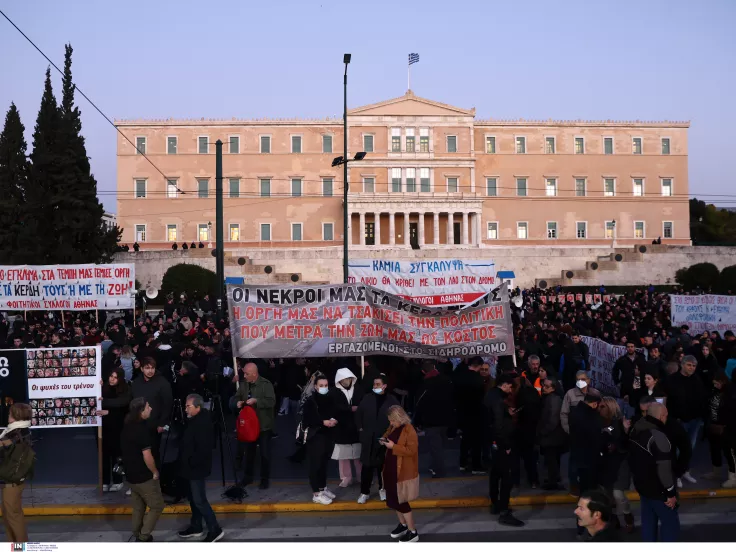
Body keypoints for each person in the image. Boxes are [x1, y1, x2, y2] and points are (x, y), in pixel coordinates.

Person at [629, 402, 680, 542]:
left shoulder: (635, 430)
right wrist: (670, 492)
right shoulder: (658, 437)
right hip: (659, 491)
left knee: (648, 524)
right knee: (670, 525)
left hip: (642, 487)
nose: (666, 418)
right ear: (660, 416)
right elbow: (664, 468)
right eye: (665, 415)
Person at [177, 394, 224, 542]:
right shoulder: (195, 419)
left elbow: (203, 449)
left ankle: (214, 529)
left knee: (199, 500)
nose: (185, 409)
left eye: (188, 406)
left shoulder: (203, 423)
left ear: (198, 407)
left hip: (196, 468)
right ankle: (196, 526)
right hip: (190, 467)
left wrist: (190, 462)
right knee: (193, 498)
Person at [120, 398, 165, 542]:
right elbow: (147, 456)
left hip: (131, 476)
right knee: (157, 506)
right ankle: (144, 536)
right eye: (148, 406)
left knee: (139, 507)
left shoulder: (127, 426)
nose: (150, 408)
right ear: (141, 411)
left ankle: (136, 532)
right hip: (144, 477)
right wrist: (155, 472)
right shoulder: (142, 430)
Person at [485, 374, 524, 527]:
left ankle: (495, 504)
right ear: (505, 385)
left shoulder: (491, 395)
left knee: (495, 474)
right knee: (506, 477)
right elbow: (498, 425)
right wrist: (506, 445)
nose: (511, 390)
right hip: (501, 443)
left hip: (493, 442)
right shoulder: (499, 400)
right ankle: (504, 511)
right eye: (510, 386)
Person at [356, 373, 398, 504]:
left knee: (383, 467)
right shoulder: (367, 398)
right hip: (368, 438)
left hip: (384, 439)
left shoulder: (392, 401)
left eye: (378, 384)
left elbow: (397, 420)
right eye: (374, 384)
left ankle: (383, 489)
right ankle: (364, 492)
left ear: (384, 386)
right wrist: (361, 430)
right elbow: (358, 415)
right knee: (366, 467)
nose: (375, 386)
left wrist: (390, 435)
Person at [665, 355, 706, 484]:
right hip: (678, 420)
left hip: (695, 419)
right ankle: (676, 474)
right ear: (682, 364)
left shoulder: (697, 380)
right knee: (677, 448)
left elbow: (702, 399)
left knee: (690, 447)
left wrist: (702, 417)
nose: (691, 368)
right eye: (689, 365)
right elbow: (666, 399)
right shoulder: (671, 380)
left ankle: (685, 471)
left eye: (694, 366)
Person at [235, 362, 276, 490]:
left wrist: (257, 401)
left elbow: (272, 401)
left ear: (254, 373)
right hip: (249, 426)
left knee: (264, 454)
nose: (244, 376)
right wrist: (237, 402)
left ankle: (264, 479)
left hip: (263, 425)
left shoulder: (266, 384)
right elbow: (236, 397)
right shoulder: (243, 384)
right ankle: (248, 477)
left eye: (247, 374)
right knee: (249, 453)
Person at [382, 405, 420, 543]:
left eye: (392, 420)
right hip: (390, 468)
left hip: (402, 471)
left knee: (401, 501)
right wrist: (384, 440)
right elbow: (388, 435)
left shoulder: (409, 429)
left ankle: (413, 531)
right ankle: (403, 525)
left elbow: (411, 451)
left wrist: (393, 447)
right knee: (393, 500)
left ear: (399, 418)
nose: (390, 423)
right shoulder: (394, 427)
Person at [597, 397, 634, 533]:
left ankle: (627, 515)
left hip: (620, 464)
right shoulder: (597, 423)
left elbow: (626, 444)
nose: (599, 409)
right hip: (605, 464)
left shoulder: (619, 423)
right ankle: (614, 520)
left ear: (611, 408)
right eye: (599, 406)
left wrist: (625, 431)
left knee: (618, 494)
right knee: (608, 496)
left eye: (602, 407)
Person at [130, 358, 173, 472]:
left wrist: (162, 423)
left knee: (153, 452)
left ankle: (154, 479)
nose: (150, 371)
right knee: (138, 452)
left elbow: (167, 404)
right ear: (141, 368)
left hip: (154, 425)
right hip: (138, 424)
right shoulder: (136, 383)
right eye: (147, 368)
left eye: (152, 368)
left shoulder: (163, 383)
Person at [413, 360, 454, 479]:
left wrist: (417, 422)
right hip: (446, 418)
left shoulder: (425, 385)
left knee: (435, 447)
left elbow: (420, 404)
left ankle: (439, 471)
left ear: (423, 371)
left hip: (431, 420)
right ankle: (435, 466)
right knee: (440, 446)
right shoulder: (447, 380)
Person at [303, 374, 338, 505]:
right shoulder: (310, 401)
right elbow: (308, 420)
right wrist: (323, 422)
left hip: (327, 435)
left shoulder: (329, 398)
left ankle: (323, 488)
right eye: (321, 386)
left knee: (324, 464)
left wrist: (334, 419)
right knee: (315, 464)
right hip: (315, 436)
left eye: (326, 385)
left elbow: (335, 412)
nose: (324, 388)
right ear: (316, 387)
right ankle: (316, 493)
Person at [0, 403, 33, 542]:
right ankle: (14, 547)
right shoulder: (22, 430)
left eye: (10, 414)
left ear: (16, 416)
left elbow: (3, 448)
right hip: (14, 481)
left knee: (13, 518)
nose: (8, 416)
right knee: (11, 516)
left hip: (11, 482)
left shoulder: (15, 434)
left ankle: (21, 548)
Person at [99, 366, 132, 492]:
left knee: (117, 455)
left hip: (118, 428)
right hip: (104, 427)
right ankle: (105, 481)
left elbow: (122, 405)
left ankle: (118, 480)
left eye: (115, 377)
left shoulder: (125, 390)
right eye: (111, 376)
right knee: (104, 454)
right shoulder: (104, 388)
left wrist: (107, 409)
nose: (112, 379)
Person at [329, 367, 363, 487]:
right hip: (341, 427)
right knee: (343, 456)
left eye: (348, 378)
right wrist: (350, 409)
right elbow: (333, 407)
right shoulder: (333, 392)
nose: (347, 381)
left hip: (356, 426)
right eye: (344, 379)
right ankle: (346, 478)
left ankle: (361, 476)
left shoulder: (358, 389)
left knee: (358, 455)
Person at [455, 356, 487, 474]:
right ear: (478, 366)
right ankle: (476, 465)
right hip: (476, 413)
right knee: (476, 441)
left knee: (465, 439)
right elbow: (481, 399)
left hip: (463, 413)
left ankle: (463, 463)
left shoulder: (460, 376)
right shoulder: (478, 380)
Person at [704, 371, 735, 486]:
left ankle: (733, 477)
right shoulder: (714, 391)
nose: (715, 385)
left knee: (729, 451)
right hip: (713, 424)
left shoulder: (730, 392)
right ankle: (716, 471)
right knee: (714, 449)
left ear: (722, 382)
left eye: (717, 383)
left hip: (726, 427)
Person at [537, 376, 567, 490]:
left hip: (552, 436)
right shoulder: (549, 398)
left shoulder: (553, 400)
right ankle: (553, 478)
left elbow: (553, 420)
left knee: (552, 459)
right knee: (553, 459)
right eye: (543, 385)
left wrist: (543, 432)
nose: (544, 388)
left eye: (547, 386)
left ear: (553, 388)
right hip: (552, 435)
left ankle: (553, 481)